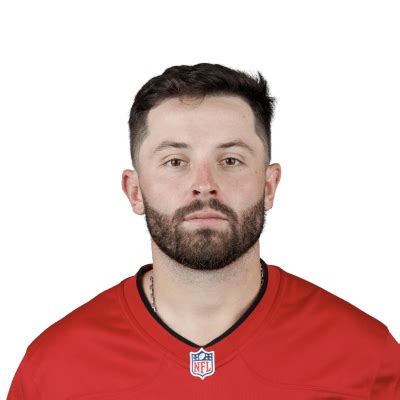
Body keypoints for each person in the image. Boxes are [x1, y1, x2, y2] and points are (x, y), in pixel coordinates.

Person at [7, 63, 399, 399]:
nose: (204, 185)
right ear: (135, 190)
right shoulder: (54, 368)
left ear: (269, 186)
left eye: (231, 160)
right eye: (175, 161)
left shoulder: (367, 358)